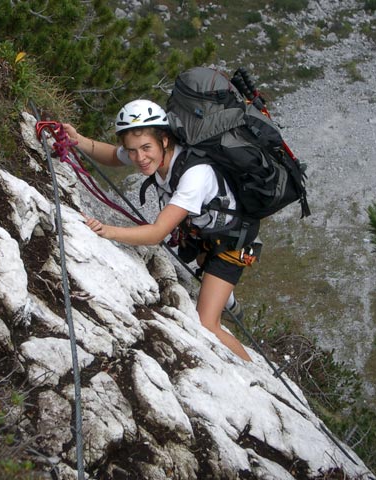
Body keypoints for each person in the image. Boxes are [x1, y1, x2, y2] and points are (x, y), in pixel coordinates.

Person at [63, 99, 259, 362]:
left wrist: (107, 231)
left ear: (164, 140)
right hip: (206, 235)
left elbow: (156, 233)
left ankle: (250, 372)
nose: (139, 158)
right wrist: (77, 140)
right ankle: (228, 300)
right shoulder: (151, 152)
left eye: (145, 148)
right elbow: (112, 155)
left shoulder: (194, 175)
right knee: (207, 273)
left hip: (232, 244)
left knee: (207, 323)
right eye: (132, 150)